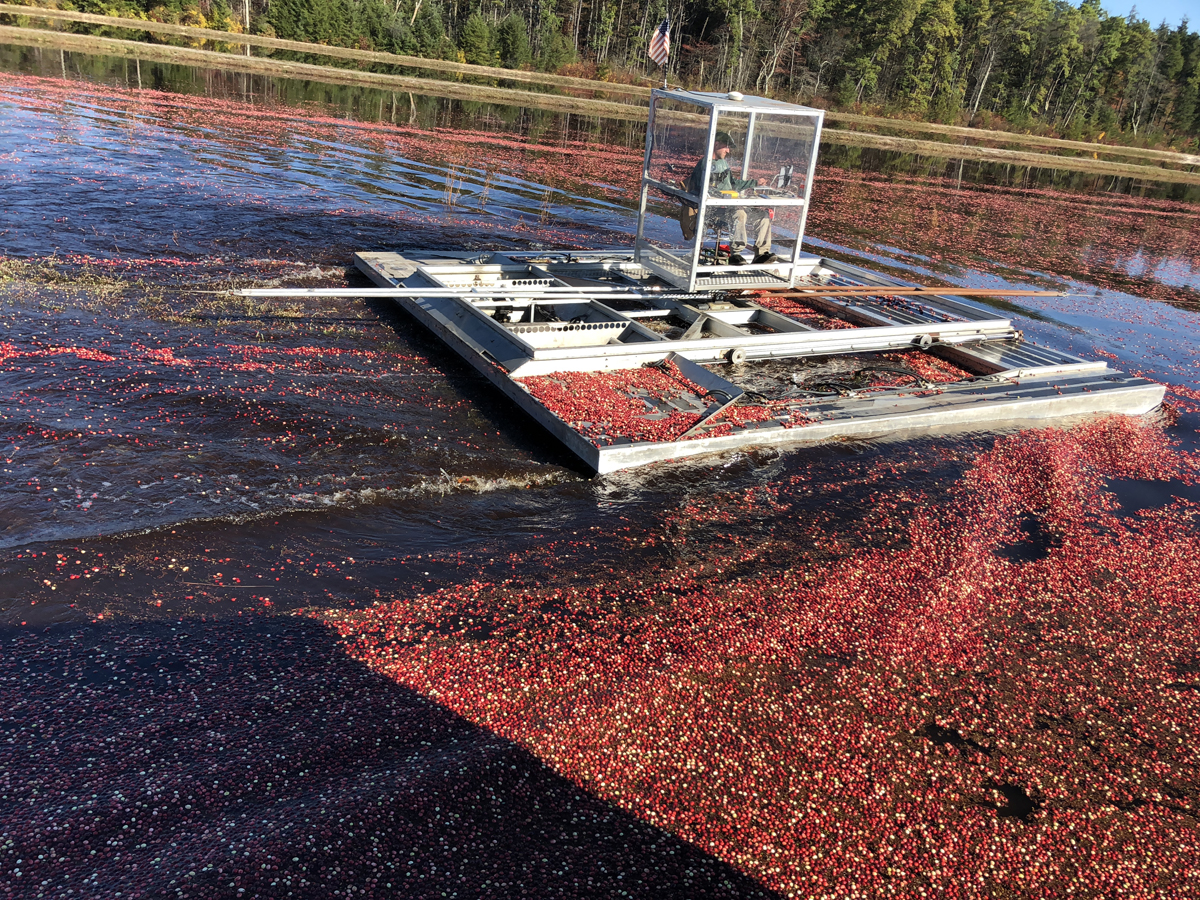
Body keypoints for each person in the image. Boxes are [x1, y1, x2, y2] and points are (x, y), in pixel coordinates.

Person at [685, 132, 778, 265]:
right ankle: (736, 254)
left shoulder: (723, 163)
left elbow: (733, 184)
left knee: (763, 216)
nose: (728, 151)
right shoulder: (705, 164)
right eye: (726, 147)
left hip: (732, 206)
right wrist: (724, 196)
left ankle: (761, 254)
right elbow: (703, 190)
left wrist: (754, 183)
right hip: (715, 212)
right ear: (716, 144)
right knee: (739, 214)